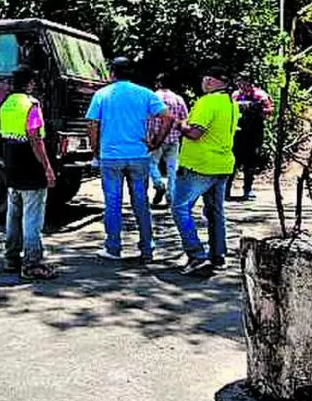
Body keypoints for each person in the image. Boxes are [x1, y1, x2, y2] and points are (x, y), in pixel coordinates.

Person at [86, 57, 171, 261]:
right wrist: (156, 143)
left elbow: (92, 124)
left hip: (111, 156)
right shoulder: (145, 94)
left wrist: (96, 150)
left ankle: (113, 247)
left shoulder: (102, 95)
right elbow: (167, 117)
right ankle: (147, 248)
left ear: (112, 73)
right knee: (141, 202)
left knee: (113, 202)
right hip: (138, 155)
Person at [171, 66, 241, 274]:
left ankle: (196, 255)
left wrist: (179, 125)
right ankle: (218, 256)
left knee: (180, 208)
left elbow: (194, 133)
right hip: (223, 164)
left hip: (199, 164)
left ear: (209, 81)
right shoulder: (231, 104)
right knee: (215, 211)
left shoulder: (207, 102)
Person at [0, 66, 57, 280]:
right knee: (32, 218)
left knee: (13, 216)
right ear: (29, 83)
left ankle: (11, 259)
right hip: (30, 167)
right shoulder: (31, 105)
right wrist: (47, 167)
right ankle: (32, 264)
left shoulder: (6, 104)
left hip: (12, 166)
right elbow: (35, 138)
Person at [228, 73, 273, 200]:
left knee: (250, 163)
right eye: (239, 82)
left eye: (243, 82)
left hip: (254, 133)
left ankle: (247, 189)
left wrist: (255, 109)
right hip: (237, 133)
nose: (241, 85)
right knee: (233, 161)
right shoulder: (235, 95)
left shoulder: (260, 95)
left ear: (250, 82)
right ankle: (227, 190)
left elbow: (270, 110)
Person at [150, 75, 189, 209]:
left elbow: (148, 118)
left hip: (157, 138)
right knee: (172, 168)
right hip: (174, 138)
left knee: (151, 163)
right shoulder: (178, 99)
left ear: (158, 83)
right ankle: (171, 197)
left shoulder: (153, 97)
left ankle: (158, 183)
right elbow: (185, 119)